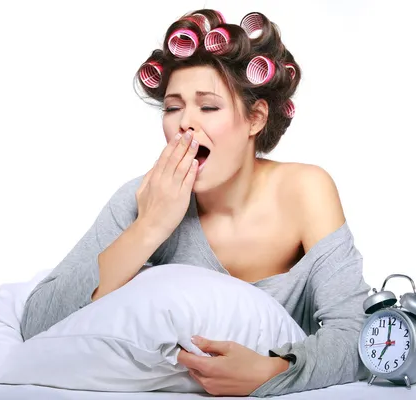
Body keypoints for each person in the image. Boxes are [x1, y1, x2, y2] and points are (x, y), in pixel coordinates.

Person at [20, 9, 371, 397]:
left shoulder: (306, 191)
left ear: (255, 118)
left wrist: (271, 371)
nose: (185, 123)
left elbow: (355, 333)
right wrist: (150, 227)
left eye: (208, 107)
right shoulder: (143, 198)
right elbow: (37, 324)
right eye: (172, 107)